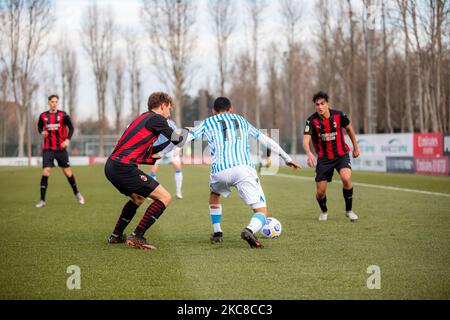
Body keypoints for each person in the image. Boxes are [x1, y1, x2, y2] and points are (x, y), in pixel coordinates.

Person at [185, 97, 300, 248]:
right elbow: (266, 140)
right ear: (231, 109)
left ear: (213, 111)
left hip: (219, 172)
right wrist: (286, 158)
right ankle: (249, 229)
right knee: (261, 211)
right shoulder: (241, 120)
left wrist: (164, 147)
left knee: (214, 195)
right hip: (243, 169)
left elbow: (187, 137)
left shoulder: (208, 122)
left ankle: (218, 232)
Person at [105, 92, 187, 251]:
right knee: (165, 197)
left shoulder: (143, 118)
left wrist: (164, 150)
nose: (169, 113)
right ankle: (137, 235)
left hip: (112, 166)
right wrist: (188, 132)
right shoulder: (158, 119)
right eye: (169, 108)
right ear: (162, 105)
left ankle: (116, 235)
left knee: (138, 198)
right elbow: (178, 140)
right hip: (123, 167)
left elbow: (151, 151)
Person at [303, 91, 360, 222]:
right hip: (324, 159)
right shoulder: (311, 121)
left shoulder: (339, 115)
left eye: (322, 103)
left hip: (341, 155)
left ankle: (349, 211)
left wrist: (356, 147)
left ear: (327, 104)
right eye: (317, 104)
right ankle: (324, 211)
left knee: (346, 178)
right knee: (320, 192)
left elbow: (349, 130)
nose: (320, 107)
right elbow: (305, 140)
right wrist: (309, 153)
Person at [35, 94, 85, 208]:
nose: (54, 103)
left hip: (61, 149)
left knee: (67, 172)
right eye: (52, 101)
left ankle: (77, 193)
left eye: (56, 101)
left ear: (57, 103)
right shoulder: (43, 116)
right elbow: (39, 127)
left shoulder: (63, 115)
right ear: (49, 102)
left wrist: (67, 140)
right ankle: (42, 200)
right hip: (48, 149)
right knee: (46, 171)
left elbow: (71, 128)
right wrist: (41, 132)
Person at [149, 118, 184, 199]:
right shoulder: (153, 121)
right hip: (157, 149)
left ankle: (178, 192)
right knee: (153, 171)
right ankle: (151, 193)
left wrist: (177, 149)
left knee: (178, 168)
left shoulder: (170, 122)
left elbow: (177, 133)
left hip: (169, 149)